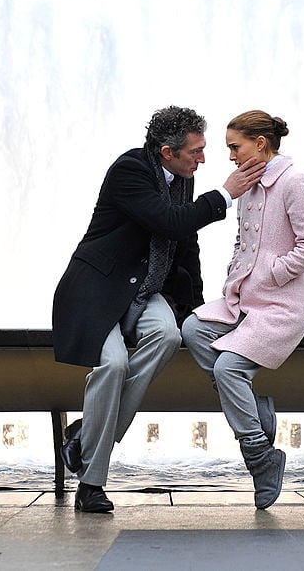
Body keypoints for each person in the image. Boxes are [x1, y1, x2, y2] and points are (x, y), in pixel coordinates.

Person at [52, 105, 266, 513]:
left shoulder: (183, 177)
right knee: (113, 365)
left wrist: (202, 310)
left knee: (169, 334)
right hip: (96, 294)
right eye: (196, 151)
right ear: (167, 152)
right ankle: (91, 485)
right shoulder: (130, 170)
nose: (204, 159)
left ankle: (85, 438)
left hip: (144, 295)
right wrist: (224, 195)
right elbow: (168, 221)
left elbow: (186, 244)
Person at [181, 109, 304, 509]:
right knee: (192, 329)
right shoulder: (250, 184)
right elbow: (245, 243)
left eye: (234, 147)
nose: (230, 156)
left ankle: (261, 459)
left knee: (228, 368)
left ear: (260, 144)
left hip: (281, 306)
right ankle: (256, 410)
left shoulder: (294, 182)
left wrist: (273, 274)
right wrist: (236, 280)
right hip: (243, 301)